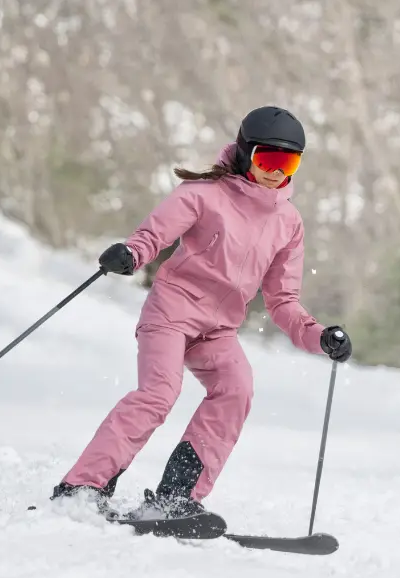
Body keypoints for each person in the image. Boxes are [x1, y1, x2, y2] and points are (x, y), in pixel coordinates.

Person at [51, 105, 353, 520]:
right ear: (247, 153)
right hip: (171, 313)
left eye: (289, 162)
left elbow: (283, 301)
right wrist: (130, 254)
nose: (276, 171)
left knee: (237, 389)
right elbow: (152, 236)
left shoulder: (288, 222)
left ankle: (176, 498)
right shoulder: (203, 195)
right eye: (268, 158)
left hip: (218, 330)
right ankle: (82, 488)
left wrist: (318, 335)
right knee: (159, 393)